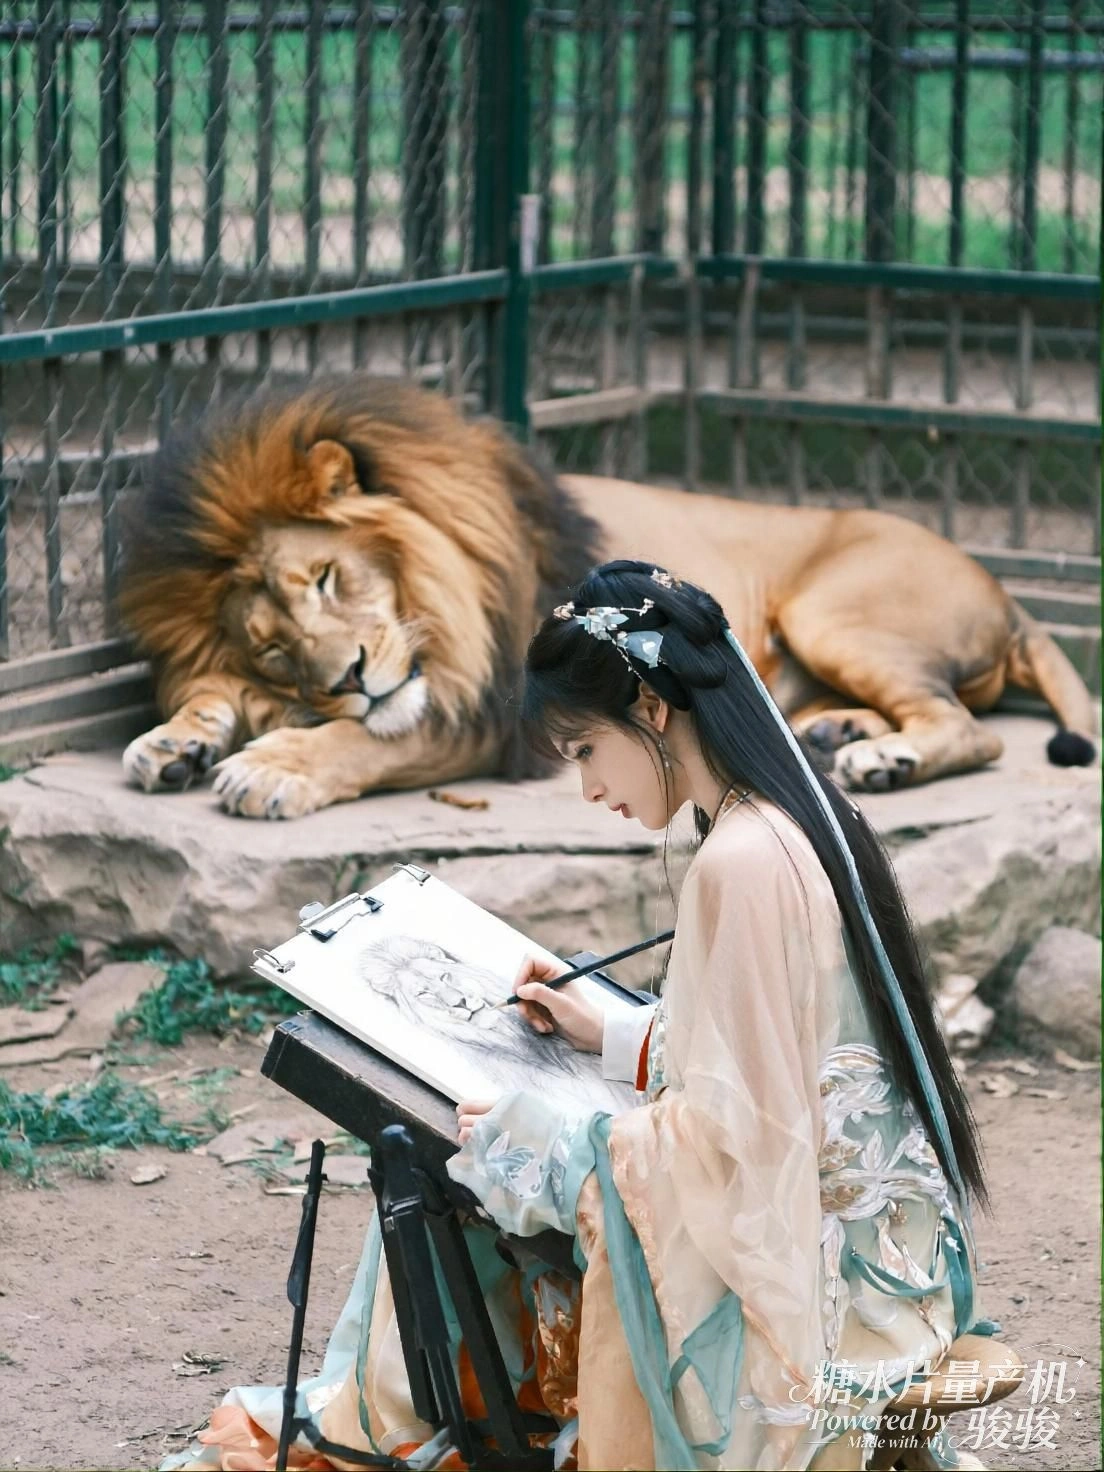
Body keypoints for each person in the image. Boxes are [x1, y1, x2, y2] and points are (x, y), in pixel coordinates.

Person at [166, 560, 993, 1472]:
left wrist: (549, 1143)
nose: (590, 788)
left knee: (478, 1193)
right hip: (888, 1263)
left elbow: (739, 1145)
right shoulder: (790, 818)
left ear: (651, 708)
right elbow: (786, 1055)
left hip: (825, 1301)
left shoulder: (741, 858)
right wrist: (609, 1031)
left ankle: (451, 1426)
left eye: (586, 751)